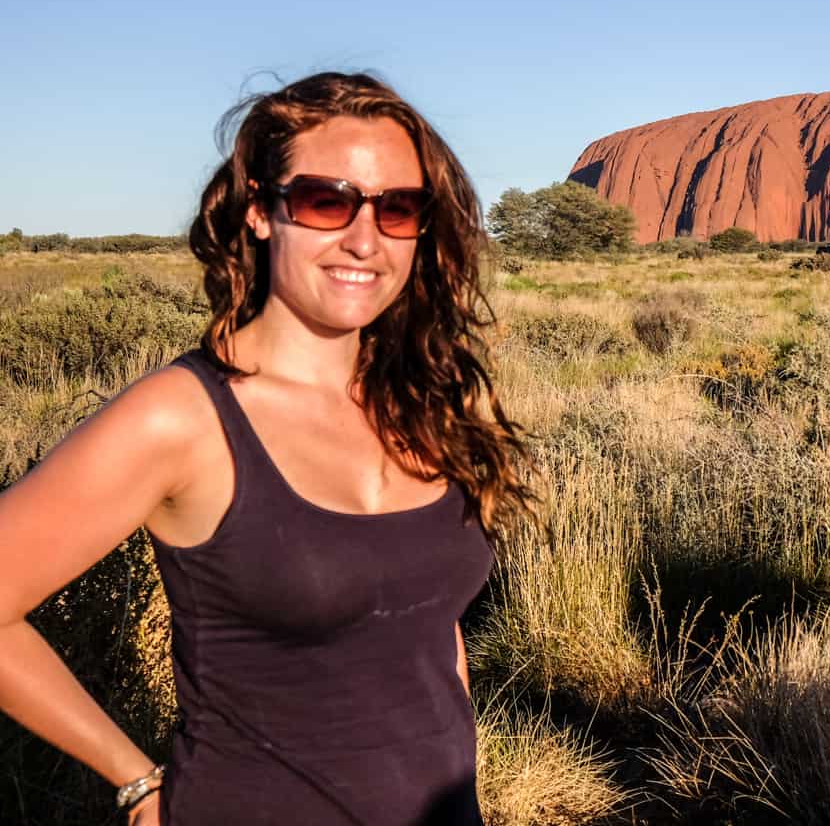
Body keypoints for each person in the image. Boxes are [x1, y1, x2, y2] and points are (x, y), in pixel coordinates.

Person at [0, 72, 536, 824]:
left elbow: (428, 626)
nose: (364, 238)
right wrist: (134, 781)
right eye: (327, 201)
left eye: (399, 208)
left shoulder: (431, 400)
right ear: (259, 210)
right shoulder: (185, 419)